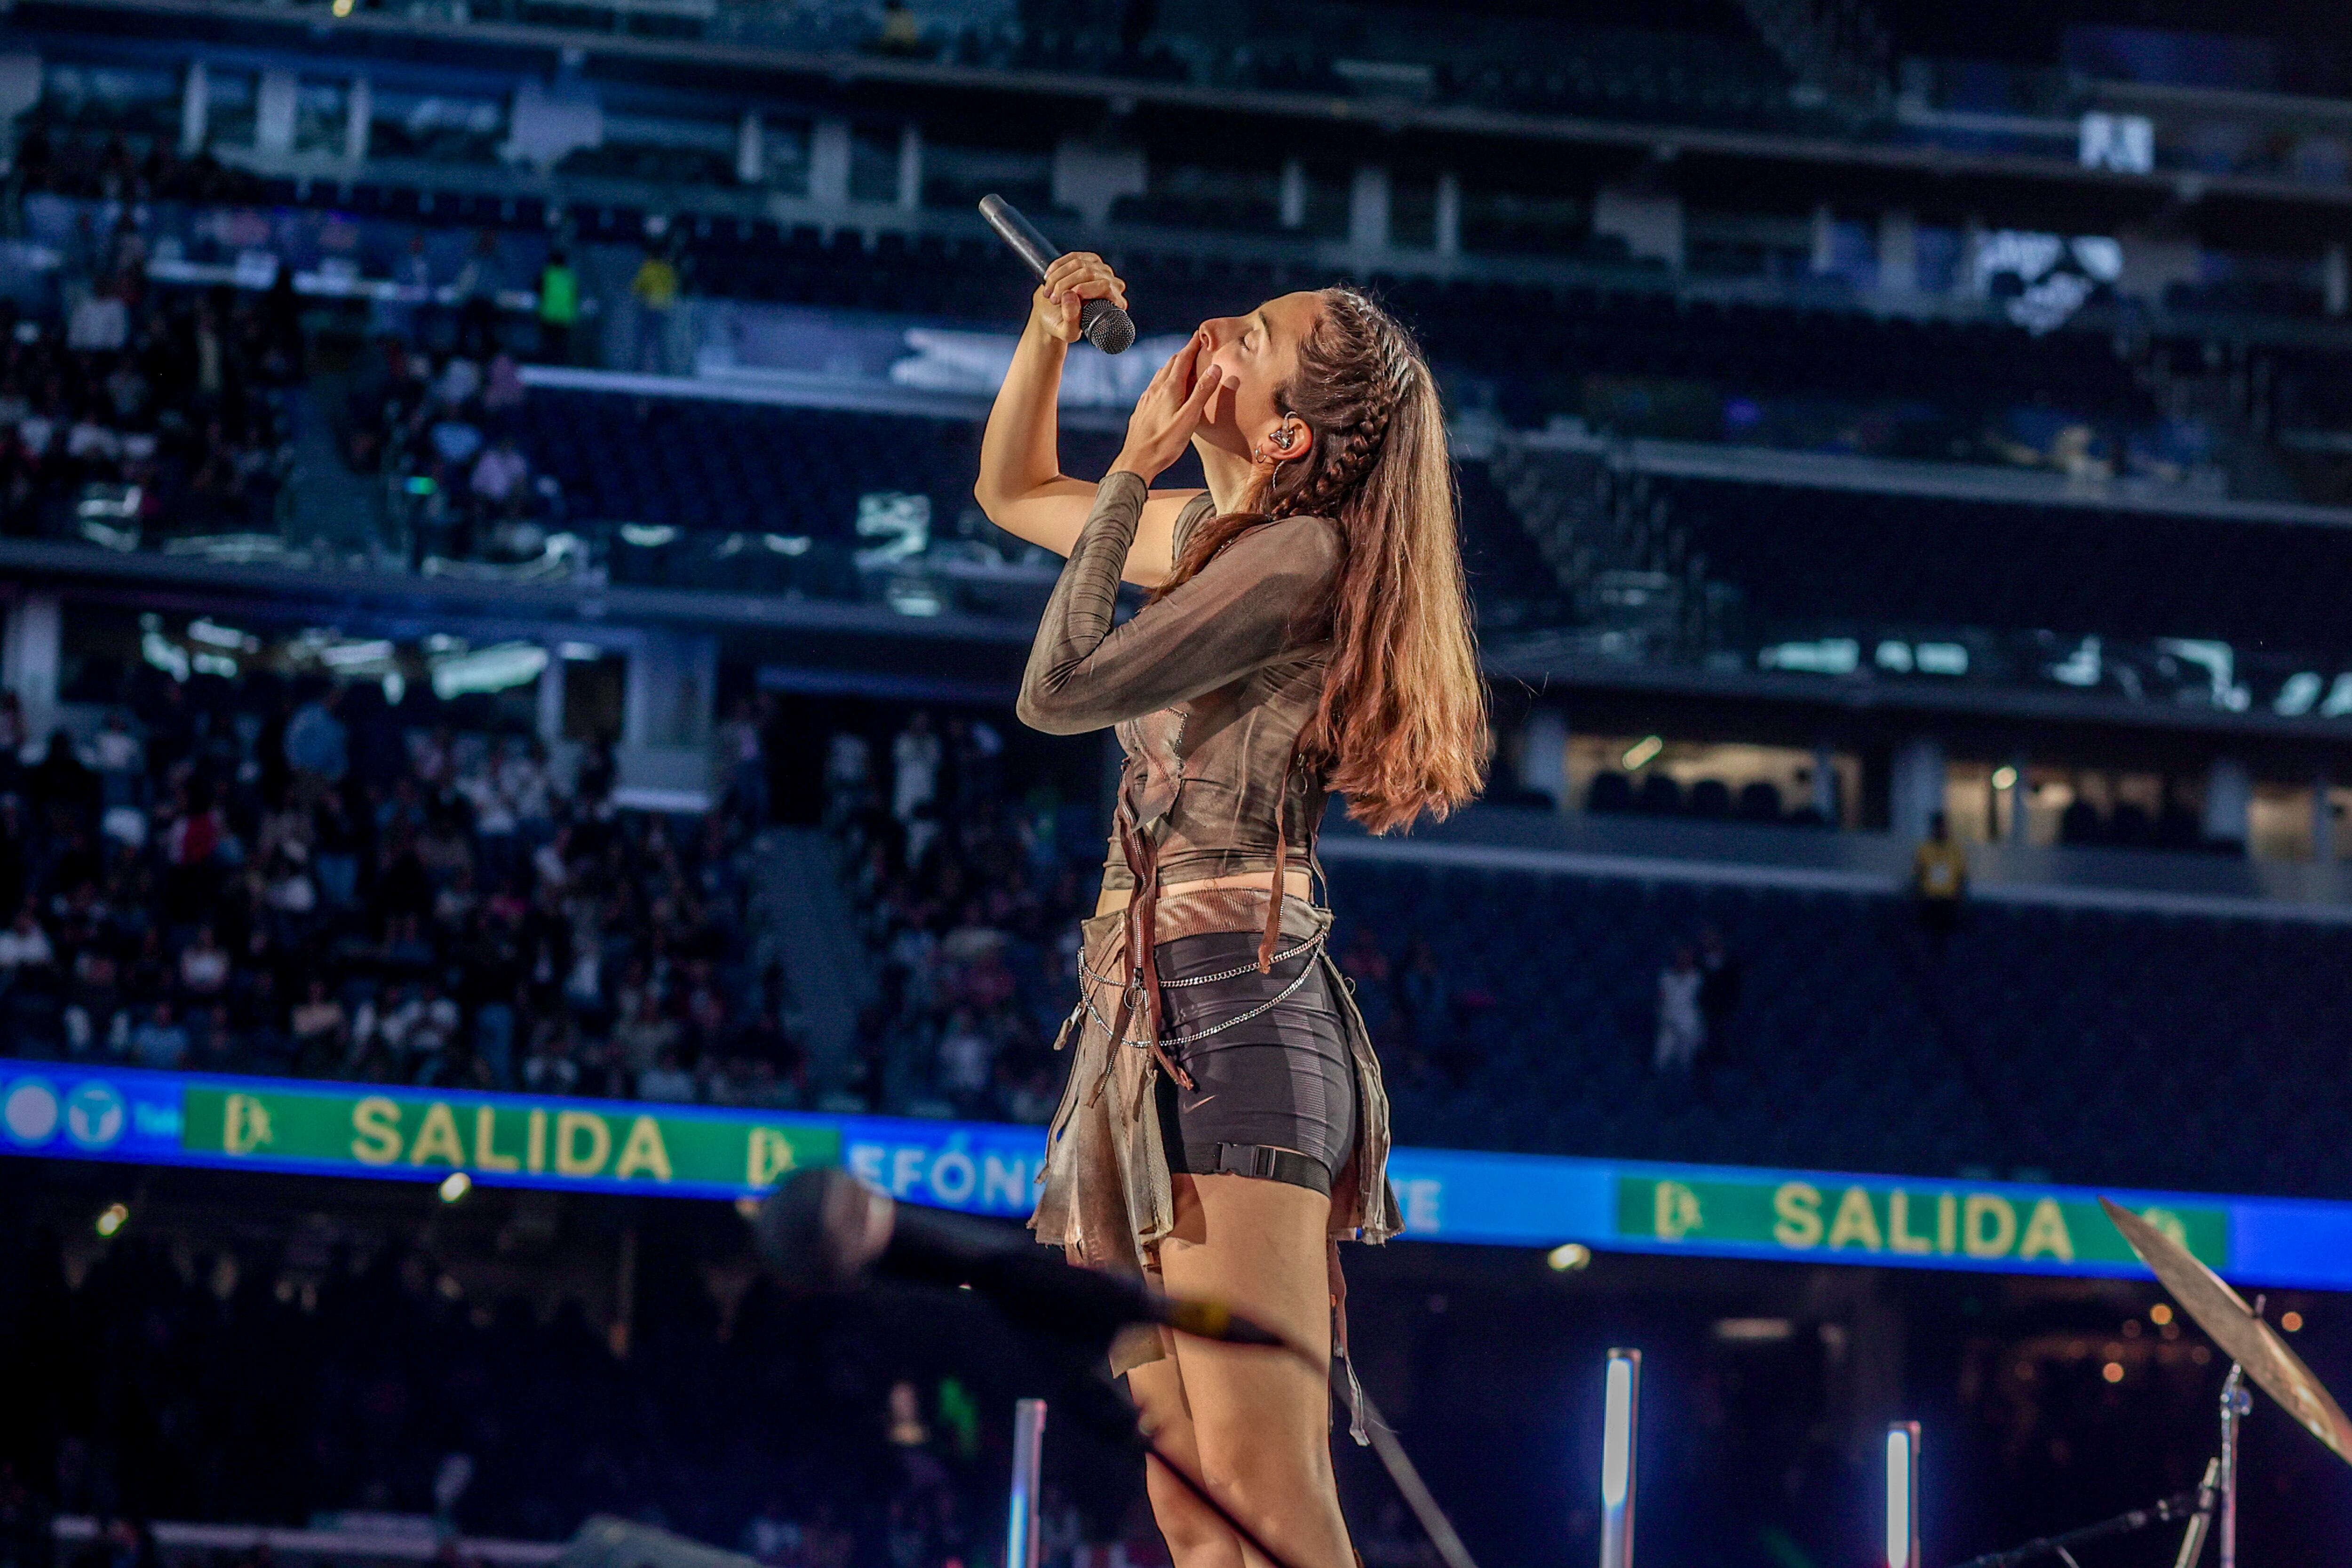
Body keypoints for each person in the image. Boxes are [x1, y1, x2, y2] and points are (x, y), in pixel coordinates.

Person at [976, 252, 1486, 1568]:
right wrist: (1046, 339)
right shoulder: (1227, 552)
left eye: (1251, 335)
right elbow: (1015, 490)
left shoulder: (1297, 558)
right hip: (1143, 1021)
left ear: (1286, 430)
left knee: (1271, 1488)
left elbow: (1060, 687)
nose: (1215, 329)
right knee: (1198, 1509)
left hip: (1237, 1022)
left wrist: (1139, 459)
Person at [1912, 810, 1967, 953]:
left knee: (1946, 939)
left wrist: (1959, 897)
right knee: (1928, 938)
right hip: (1930, 900)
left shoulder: (1955, 850)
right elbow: (1919, 873)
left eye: (1943, 827)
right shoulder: (1925, 850)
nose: (1941, 831)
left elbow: (1961, 875)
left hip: (1948, 900)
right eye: (1939, 828)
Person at [1654, 946, 1703, 1075]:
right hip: (1668, 1025)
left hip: (1689, 1026)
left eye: (1687, 956)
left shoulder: (1698, 977)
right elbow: (1662, 999)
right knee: (1661, 1061)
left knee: (1687, 1063)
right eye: (1681, 956)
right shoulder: (1666, 977)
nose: (1684, 959)